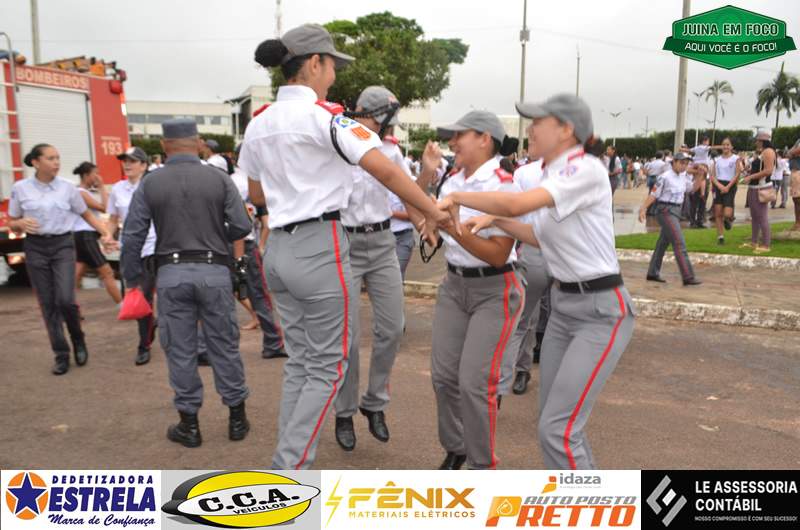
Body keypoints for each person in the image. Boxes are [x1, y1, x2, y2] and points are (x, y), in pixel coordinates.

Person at [239, 24, 450, 470]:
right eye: (333, 65)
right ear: (315, 63)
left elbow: (256, 196)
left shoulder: (258, 124)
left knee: (301, 363)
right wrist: (431, 210)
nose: (334, 75)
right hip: (320, 246)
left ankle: (286, 462)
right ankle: (289, 470)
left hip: (278, 247)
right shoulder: (326, 118)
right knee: (328, 368)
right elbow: (386, 171)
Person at [438, 94, 636, 470]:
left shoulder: (585, 169)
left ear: (566, 130)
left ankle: (588, 502)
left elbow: (517, 205)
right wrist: (494, 221)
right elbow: (538, 236)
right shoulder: (550, 174)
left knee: (558, 430)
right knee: (554, 425)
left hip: (600, 310)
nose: (529, 130)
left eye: (538, 122)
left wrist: (462, 199)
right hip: (563, 309)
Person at [121, 118, 252, 448]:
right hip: (214, 272)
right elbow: (241, 225)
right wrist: (214, 234)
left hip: (171, 274)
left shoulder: (151, 182)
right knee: (224, 345)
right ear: (198, 142)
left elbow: (133, 235)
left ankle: (189, 426)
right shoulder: (219, 178)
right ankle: (237, 419)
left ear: (164, 146)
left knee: (180, 350)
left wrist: (132, 279)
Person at [421, 110, 523, 470]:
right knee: (443, 378)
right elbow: (431, 225)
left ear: (484, 138)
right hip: (454, 285)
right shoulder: (452, 180)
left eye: (458, 135)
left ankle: (483, 466)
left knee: (474, 384)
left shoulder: (504, 185)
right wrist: (431, 213)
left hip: (494, 290)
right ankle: (457, 447)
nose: (451, 142)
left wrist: (452, 227)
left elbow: (498, 254)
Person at [332, 86, 410, 452]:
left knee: (393, 328)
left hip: (382, 243)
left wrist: (427, 181)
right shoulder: (338, 144)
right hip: (345, 242)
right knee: (347, 337)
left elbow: (409, 192)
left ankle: (375, 402)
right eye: (382, 118)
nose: (384, 125)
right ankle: (344, 412)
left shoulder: (390, 150)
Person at [8, 144, 114, 375]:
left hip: (63, 246)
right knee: (47, 303)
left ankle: (78, 338)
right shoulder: (21, 188)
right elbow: (12, 220)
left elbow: (86, 214)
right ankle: (61, 354)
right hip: (35, 247)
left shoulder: (67, 188)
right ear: (36, 162)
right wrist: (19, 224)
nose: (56, 162)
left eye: (57, 158)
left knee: (65, 300)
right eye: (50, 158)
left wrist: (105, 233)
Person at [499, 156, 552, 398]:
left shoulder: (580, 170)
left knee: (556, 319)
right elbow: (514, 211)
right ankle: (520, 371)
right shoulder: (525, 172)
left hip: (566, 252)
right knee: (525, 318)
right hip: (532, 247)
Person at [229, 145, 286, 357]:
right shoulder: (254, 183)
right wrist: (260, 245)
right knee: (259, 295)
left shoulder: (227, 180)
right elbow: (265, 220)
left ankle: (221, 345)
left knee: (222, 296)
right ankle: (273, 342)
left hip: (221, 245)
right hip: (245, 244)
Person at [108, 146, 158, 366]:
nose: (127, 165)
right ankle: (149, 327)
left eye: (133, 161)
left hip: (153, 248)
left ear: (144, 165)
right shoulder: (117, 189)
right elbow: (113, 219)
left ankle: (144, 345)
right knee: (134, 298)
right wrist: (107, 235)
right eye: (124, 161)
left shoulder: (153, 187)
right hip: (129, 250)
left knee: (146, 296)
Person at [639, 152, 703, 285]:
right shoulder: (664, 177)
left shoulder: (683, 176)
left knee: (663, 243)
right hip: (665, 210)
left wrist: (700, 176)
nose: (684, 166)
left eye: (686, 163)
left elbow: (691, 189)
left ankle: (652, 272)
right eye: (681, 163)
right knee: (679, 242)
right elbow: (654, 194)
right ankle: (688, 276)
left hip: (676, 210)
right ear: (674, 162)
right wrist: (643, 208)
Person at [72, 162, 122, 304]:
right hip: (85, 236)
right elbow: (105, 207)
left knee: (77, 274)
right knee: (107, 272)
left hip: (82, 236)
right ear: (86, 175)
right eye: (95, 173)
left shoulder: (83, 192)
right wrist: (101, 187)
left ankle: (67, 306)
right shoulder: (80, 193)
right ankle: (123, 306)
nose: (98, 177)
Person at [741, 132, 776, 253]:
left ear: (762, 141)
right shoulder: (762, 152)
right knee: (755, 216)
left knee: (761, 216)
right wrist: (748, 171)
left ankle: (766, 244)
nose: (756, 142)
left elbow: (768, 170)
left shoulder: (768, 152)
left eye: (757, 140)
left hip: (761, 187)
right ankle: (754, 242)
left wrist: (751, 177)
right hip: (755, 187)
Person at [709, 138, 741, 245]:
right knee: (718, 213)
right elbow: (713, 175)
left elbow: (737, 173)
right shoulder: (717, 159)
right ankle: (720, 237)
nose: (725, 147)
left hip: (730, 185)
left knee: (727, 213)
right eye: (724, 145)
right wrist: (719, 186)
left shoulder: (735, 159)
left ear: (731, 146)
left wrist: (727, 187)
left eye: (728, 145)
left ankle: (728, 220)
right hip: (718, 185)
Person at [788, 138, 800, 232]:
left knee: (797, 199)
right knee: (796, 199)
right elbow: (789, 153)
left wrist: (792, 152)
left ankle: (798, 224)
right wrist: (791, 152)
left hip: (798, 171)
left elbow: (793, 152)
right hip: (795, 171)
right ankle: (797, 223)